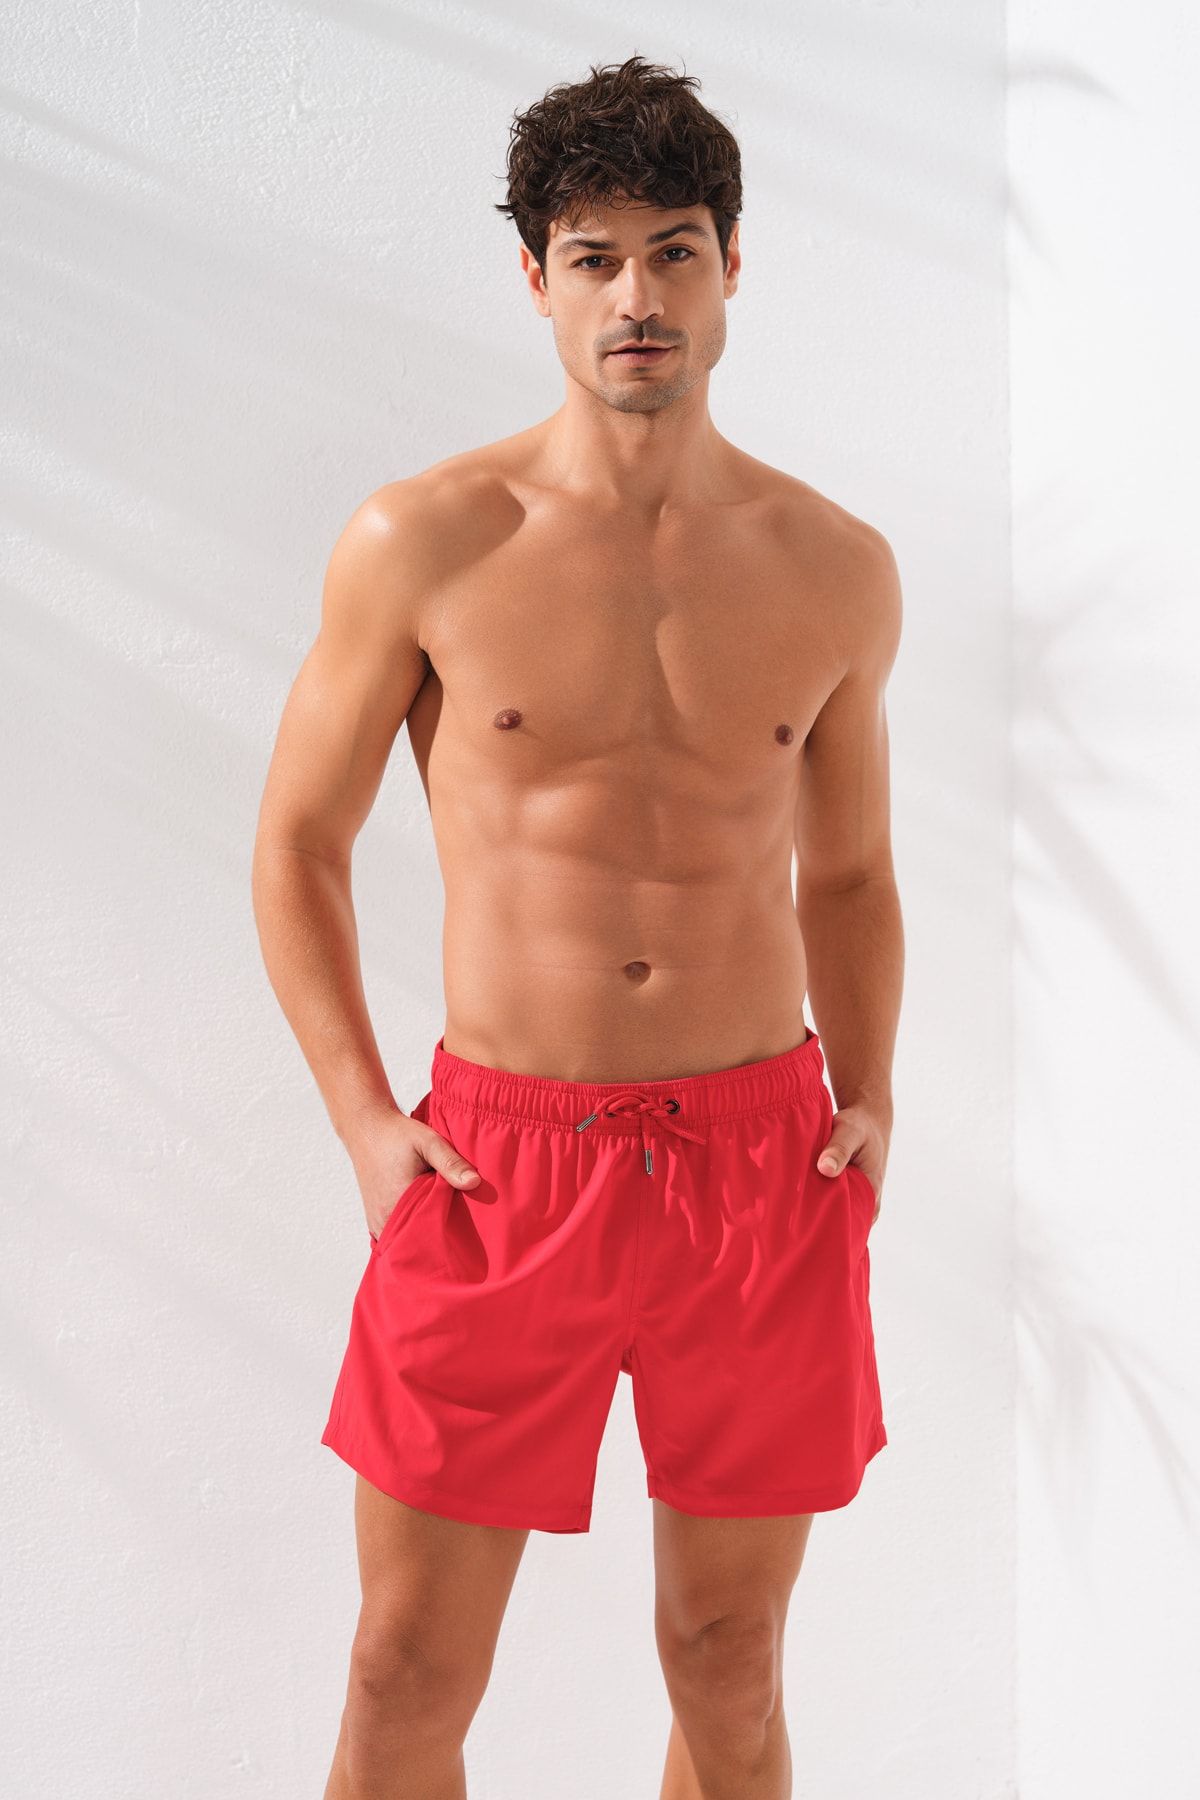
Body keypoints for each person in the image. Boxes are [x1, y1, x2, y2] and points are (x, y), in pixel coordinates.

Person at [252, 51, 903, 1800]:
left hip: (758, 1164)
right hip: (498, 1170)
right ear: (533, 279)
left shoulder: (834, 565)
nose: (638, 299)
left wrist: (873, 1095)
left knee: (730, 1667)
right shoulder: (425, 539)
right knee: (402, 1673)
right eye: (595, 258)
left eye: (674, 251)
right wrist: (368, 1126)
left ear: (732, 265)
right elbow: (298, 845)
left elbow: (849, 875)